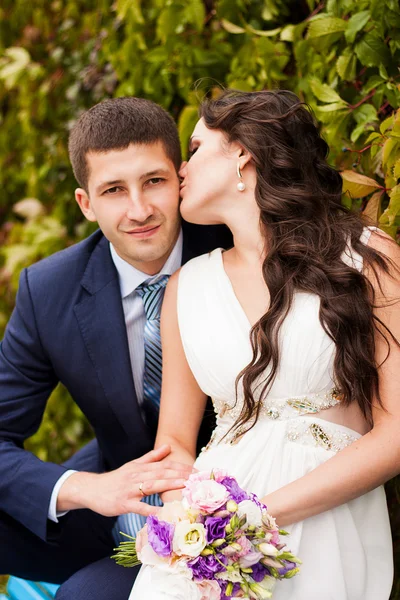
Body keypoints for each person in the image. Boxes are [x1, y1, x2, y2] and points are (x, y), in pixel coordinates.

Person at [129, 89, 399, 599]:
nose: (180, 169)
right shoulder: (186, 288)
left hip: (323, 523)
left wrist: (255, 516)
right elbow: (176, 448)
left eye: (194, 148)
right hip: (208, 542)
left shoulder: (367, 258)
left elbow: (397, 432)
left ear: (241, 153)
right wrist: (181, 527)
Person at [0, 97, 232, 600]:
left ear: (181, 178)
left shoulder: (236, 247)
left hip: (242, 496)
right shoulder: (49, 291)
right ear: (86, 204)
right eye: (113, 190)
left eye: (154, 181)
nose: (139, 210)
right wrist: (87, 488)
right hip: (113, 496)